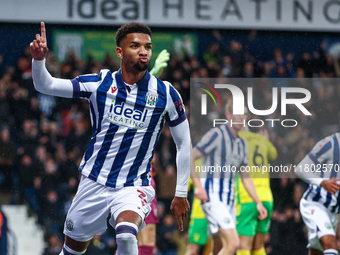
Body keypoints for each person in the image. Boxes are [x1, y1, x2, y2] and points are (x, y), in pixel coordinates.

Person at [30, 21, 191, 255]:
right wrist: (38, 60)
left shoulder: (166, 93)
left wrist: (181, 192)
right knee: (72, 251)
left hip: (134, 185)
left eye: (147, 46)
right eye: (135, 45)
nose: (143, 51)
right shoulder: (99, 84)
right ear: (120, 51)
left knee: (126, 235)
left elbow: (184, 142)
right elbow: (46, 84)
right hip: (94, 181)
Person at [191, 101, 267, 255]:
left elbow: (245, 177)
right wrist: (198, 186)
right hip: (212, 197)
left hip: (229, 202)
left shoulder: (242, 144)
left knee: (219, 248)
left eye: (244, 114)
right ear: (228, 115)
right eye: (238, 114)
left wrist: (258, 202)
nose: (241, 117)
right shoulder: (216, 134)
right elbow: (191, 157)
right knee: (233, 244)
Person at [296, 132, 340, 255]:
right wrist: (322, 182)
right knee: (330, 244)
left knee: (317, 251)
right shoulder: (330, 144)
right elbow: (300, 169)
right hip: (316, 203)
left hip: (333, 211)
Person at [235, 129, 277, 255]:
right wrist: (266, 141)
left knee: (243, 246)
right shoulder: (261, 139)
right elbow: (274, 154)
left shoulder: (236, 138)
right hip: (266, 197)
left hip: (247, 197)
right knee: (258, 247)